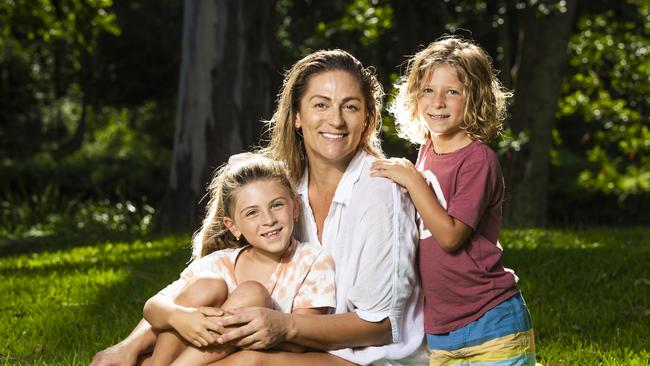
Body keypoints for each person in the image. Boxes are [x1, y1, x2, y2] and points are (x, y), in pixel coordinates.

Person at [90, 49, 427, 366]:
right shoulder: (279, 185)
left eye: (350, 106)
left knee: (249, 361)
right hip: (278, 332)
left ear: (367, 118)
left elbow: (381, 326)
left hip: (367, 356)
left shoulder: (381, 193)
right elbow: (195, 288)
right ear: (296, 116)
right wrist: (128, 346)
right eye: (320, 105)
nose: (335, 120)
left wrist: (286, 327)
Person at [370, 36, 536, 365]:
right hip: (441, 328)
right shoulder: (427, 151)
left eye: (453, 92)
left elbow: (450, 236)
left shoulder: (478, 160)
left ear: (475, 98)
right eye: (428, 90)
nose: (438, 102)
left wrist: (413, 180)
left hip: (491, 320)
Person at [141, 154, 336, 365]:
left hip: (243, 360)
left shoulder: (311, 261)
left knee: (252, 294)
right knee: (205, 286)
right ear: (233, 226)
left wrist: (238, 335)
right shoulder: (217, 263)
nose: (269, 220)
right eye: (252, 213)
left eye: (277, 205)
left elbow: (301, 340)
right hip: (188, 355)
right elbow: (152, 307)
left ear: (295, 207)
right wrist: (180, 318)